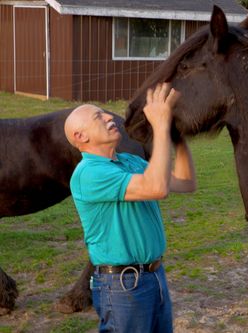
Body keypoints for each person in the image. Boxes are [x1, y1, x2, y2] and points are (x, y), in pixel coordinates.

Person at [64, 83, 196, 332]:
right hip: (123, 286)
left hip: (155, 277)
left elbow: (186, 182)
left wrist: (177, 138)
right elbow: (157, 188)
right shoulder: (89, 173)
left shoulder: (130, 161)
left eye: (105, 112)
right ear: (80, 137)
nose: (108, 116)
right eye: (98, 116)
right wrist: (160, 126)